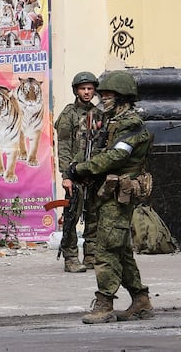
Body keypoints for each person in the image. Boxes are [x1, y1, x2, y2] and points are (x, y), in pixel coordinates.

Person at [68, 71, 154, 324]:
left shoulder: (131, 124)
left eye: (107, 94)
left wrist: (82, 169)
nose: (101, 97)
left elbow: (116, 157)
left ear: (122, 97)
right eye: (101, 93)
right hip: (106, 193)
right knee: (121, 250)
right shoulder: (110, 120)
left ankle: (104, 303)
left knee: (105, 249)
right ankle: (141, 300)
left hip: (119, 197)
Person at [54, 71, 102, 273]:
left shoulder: (99, 114)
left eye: (90, 89)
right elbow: (64, 146)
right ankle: (71, 257)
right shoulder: (69, 114)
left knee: (94, 214)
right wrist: (66, 176)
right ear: (76, 91)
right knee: (72, 215)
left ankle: (91, 255)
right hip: (75, 173)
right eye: (83, 88)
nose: (87, 92)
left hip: (94, 172)